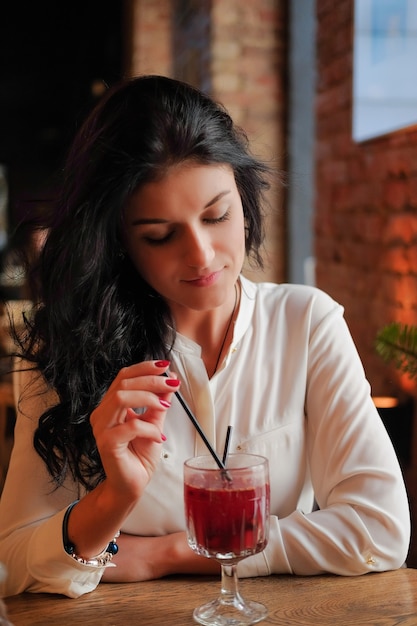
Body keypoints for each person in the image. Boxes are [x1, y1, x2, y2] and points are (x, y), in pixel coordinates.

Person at [0, 75, 410, 599]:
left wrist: (164, 554)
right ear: (118, 241)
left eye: (217, 215)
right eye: (159, 235)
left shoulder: (307, 323)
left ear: (244, 199)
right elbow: (13, 560)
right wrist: (113, 499)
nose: (201, 256)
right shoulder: (60, 355)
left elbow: (380, 530)